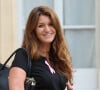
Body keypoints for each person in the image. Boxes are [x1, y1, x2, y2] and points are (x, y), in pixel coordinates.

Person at [9, 6, 73, 90]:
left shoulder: (58, 57)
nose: (47, 29)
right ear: (33, 30)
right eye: (41, 26)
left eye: (51, 24)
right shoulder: (23, 56)